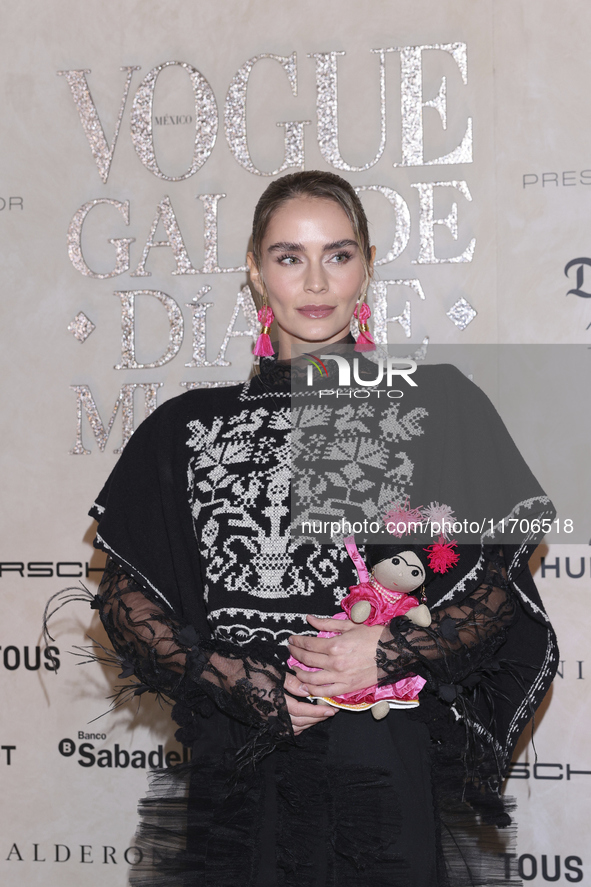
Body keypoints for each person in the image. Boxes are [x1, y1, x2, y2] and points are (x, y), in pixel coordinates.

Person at [70, 171, 557, 886]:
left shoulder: (440, 407)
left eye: (338, 253)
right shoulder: (185, 427)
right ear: (255, 273)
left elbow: (496, 588)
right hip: (242, 765)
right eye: (288, 256)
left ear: (365, 269)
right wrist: (242, 683)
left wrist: (389, 650)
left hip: (382, 764)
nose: (316, 280)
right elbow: (125, 600)